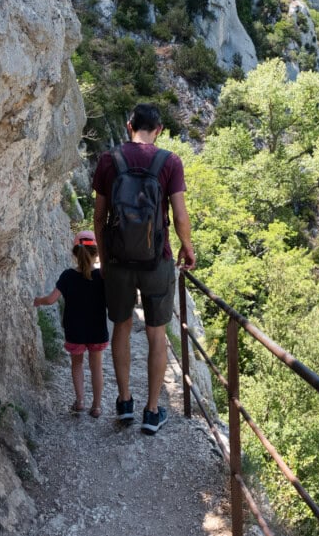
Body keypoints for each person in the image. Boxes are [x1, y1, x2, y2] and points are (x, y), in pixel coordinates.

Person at [92, 103, 196, 435]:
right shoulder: (169, 162)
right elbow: (180, 216)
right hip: (157, 261)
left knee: (120, 328)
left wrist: (106, 259)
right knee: (156, 334)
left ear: (128, 125)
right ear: (159, 130)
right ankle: (152, 411)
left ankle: (124, 403)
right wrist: (187, 247)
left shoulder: (109, 160)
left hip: (119, 262)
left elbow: (99, 216)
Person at [33, 230, 109, 417]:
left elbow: (51, 300)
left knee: (77, 364)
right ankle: (97, 406)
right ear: (97, 253)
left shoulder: (67, 276)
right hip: (97, 329)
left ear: (74, 253)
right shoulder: (102, 276)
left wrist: (38, 301)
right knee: (96, 367)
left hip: (74, 330)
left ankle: (80, 401)